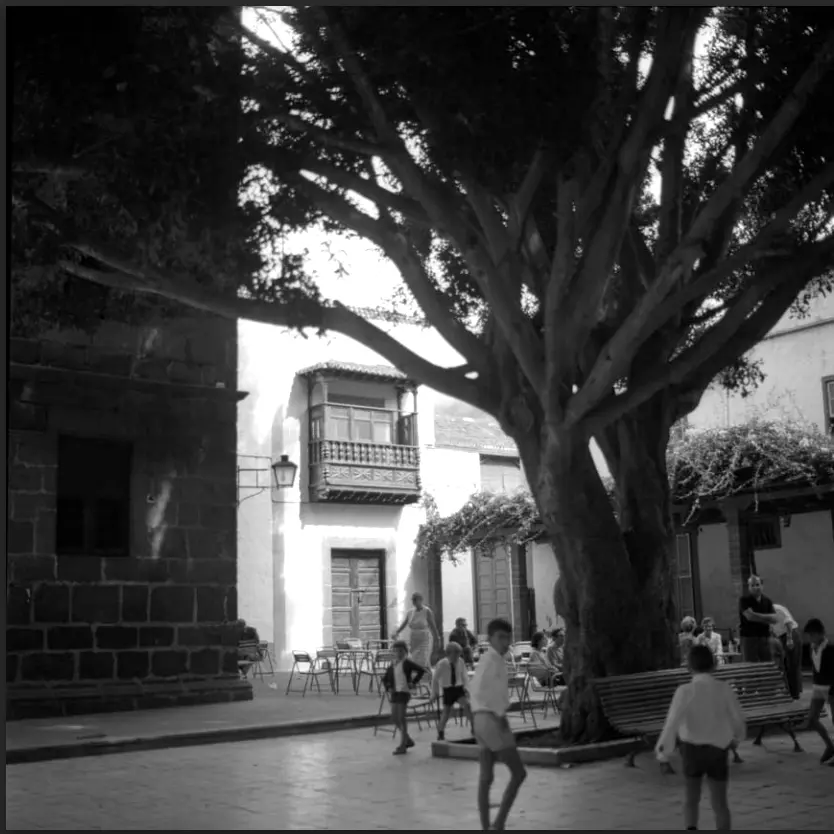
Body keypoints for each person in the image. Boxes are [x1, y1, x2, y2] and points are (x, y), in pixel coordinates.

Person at [656, 644, 746, 831]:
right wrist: (737, 738)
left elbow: (672, 722)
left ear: (689, 667)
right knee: (720, 803)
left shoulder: (684, 691)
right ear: (714, 665)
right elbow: (738, 718)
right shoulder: (724, 689)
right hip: (718, 749)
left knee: (691, 799)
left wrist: (663, 752)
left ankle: (691, 828)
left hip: (691, 750)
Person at [468, 617, 527, 831]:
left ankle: (487, 827)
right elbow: (485, 691)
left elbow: (475, 689)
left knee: (486, 777)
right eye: (500, 637)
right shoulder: (493, 660)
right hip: (492, 719)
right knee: (519, 773)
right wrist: (500, 715)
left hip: (480, 720)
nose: (505, 642)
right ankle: (499, 823)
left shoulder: (487, 660)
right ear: (490, 638)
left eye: (508, 638)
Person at [381, 639, 426, 755]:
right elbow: (385, 678)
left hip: (404, 692)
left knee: (401, 718)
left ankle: (403, 745)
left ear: (405, 652)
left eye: (401, 651)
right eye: (396, 651)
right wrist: (388, 686)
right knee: (395, 718)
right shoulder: (393, 665)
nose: (398, 653)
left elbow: (421, 670)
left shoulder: (407, 663)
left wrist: (413, 682)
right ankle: (407, 738)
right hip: (395, 693)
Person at [802, 618, 834, 765]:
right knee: (812, 719)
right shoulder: (812, 648)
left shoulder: (830, 648)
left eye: (813, 635)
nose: (811, 639)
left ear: (820, 634)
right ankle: (830, 745)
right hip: (818, 687)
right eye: (809, 636)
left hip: (831, 687)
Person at [432, 642, 472, 741]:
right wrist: (434, 692)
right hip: (448, 690)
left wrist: (467, 688)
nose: (457, 657)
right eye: (455, 654)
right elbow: (435, 679)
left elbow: (464, 676)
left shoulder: (460, 662)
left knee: (467, 705)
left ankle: (474, 726)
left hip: (458, 689)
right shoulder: (442, 664)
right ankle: (441, 731)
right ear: (449, 654)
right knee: (446, 712)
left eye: (459, 654)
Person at [394, 592, 441, 673]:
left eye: (415, 600)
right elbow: (404, 623)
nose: (414, 602)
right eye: (413, 600)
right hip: (414, 638)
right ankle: (425, 678)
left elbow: (433, 626)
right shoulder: (410, 612)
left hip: (425, 638)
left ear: (420, 600)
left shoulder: (427, 611)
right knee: (415, 659)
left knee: (423, 659)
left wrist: (437, 638)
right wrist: (397, 632)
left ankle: (428, 677)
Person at [737, 575, 778, 663]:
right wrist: (767, 618)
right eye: (752, 585)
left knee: (768, 663)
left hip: (765, 637)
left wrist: (755, 615)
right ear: (749, 587)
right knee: (751, 665)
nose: (755, 587)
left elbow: (775, 619)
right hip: (749, 638)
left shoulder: (767, 601)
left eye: (757, 584)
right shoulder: (744, 600)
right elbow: (750, 617)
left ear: (762, 586)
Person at [772, 603, 802, 699]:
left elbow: (788, 622)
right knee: (785, 666)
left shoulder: (776, 609)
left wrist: (789, 639)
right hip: (781, 637)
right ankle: (791, 691)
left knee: (792, 666)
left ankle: (794, 694)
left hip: (790, 634)